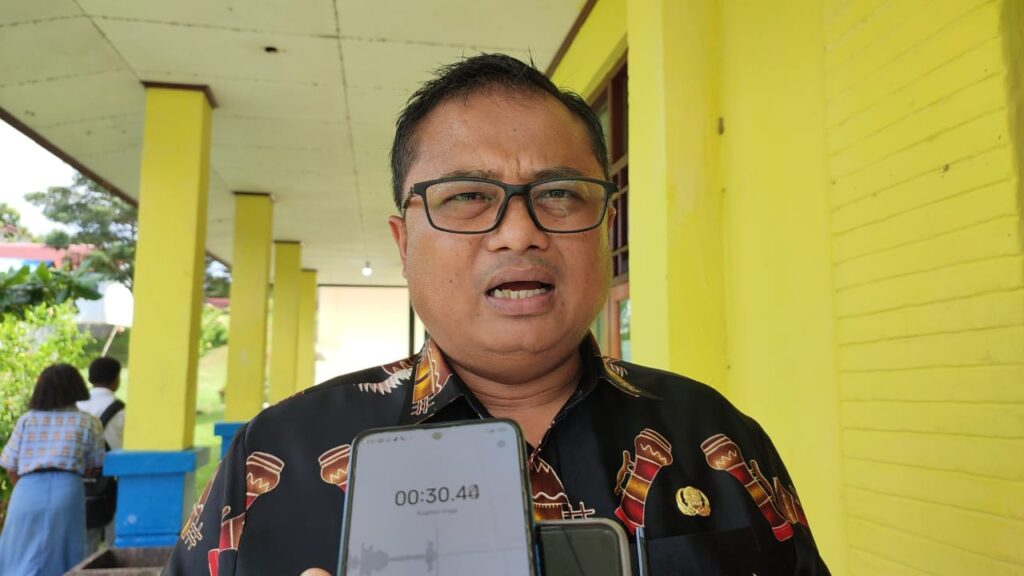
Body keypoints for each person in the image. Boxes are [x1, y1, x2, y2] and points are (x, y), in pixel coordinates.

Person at [166, 54, 829, 575]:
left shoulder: (715, 434)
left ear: (604, 228)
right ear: (404, 243)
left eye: (560, 193)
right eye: (467, 197)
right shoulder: (277, 455)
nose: (519, 233)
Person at [0, 363, 106, 575]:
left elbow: (10, 466)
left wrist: (29, 484)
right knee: (63, 553)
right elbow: (95, 465)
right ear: (77, 387)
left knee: (17, 553)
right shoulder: (88, 422)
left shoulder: (27, 420)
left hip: (26, 490)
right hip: (67, 489)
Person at [77, 356, 126, 552]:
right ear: (116, 380)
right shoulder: (121, 411)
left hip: (80, 482)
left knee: (85, 544)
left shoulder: (76, 407)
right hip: (112, 483)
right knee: (114, 542)